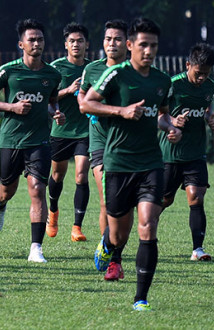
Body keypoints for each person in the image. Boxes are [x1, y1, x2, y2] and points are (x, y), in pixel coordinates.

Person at [80, 18, 182, 312]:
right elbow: (87, 103)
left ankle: (141, 298)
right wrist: (121, 111)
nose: (148, 51)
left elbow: (162, 114)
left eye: (153, 46)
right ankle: (108, 246)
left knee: (148, 226)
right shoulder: (116, 75)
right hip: (119, 164)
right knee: (119, 235)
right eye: (143, 45)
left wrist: (170, 126)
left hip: (151, 163)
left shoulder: (162, 81)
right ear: (130, 46)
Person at [0, 19, 63, 263]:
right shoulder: (8, 71)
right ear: (21, 44)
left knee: (37, 190)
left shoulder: (52, 75)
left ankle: (36, 249)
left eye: (40, 39)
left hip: (39, 142)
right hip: (11, 140)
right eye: (32, 39)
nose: (37, 43)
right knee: (7, 189)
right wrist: (12, 107)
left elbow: (51, 101)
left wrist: (56, 112)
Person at [161, 42, 214, 262]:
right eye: (198, 73)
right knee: (164, 200)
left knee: (196, 196)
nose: (202, 78)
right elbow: (158, 115)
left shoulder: (209, 87)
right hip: (170, 154)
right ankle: (145, 230)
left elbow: (206, 109)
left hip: (195, 152)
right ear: (188, 65)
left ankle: (198, 249)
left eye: (206, 74)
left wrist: (210, 119)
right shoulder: (173, 85)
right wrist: (172, 121)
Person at [79, 19, 128, 265]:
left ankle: (112, 244)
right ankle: (107, 249)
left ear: (127, 44)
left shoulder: (133, 72)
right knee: (106, 199)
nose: (112, 43)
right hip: (99, 142)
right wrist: (85, 105)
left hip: (126, 144)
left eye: (117, 39)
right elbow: (82, 95)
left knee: (124, 203)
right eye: (108, 39)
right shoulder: (93, 69)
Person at [47, 23, 91, 242]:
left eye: (80, 41)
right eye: (72, 41)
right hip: (61, 129)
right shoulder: (56, 68)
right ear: (66, 44)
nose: (76, 44)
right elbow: (47, 96)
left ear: (87, 45)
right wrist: (68, 90)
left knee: (82, 175)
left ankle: (77, 227)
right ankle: (53, 212)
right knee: (57, 175)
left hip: (86, 130)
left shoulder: (93, 69)